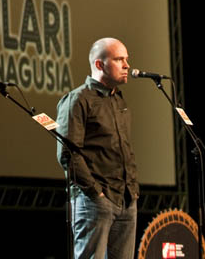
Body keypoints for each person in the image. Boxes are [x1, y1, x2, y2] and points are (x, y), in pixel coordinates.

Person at [56, 38, 139, 259]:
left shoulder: (119, 100)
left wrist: (132, 189)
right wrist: (96, 192)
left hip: (126, 197)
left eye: (126, 59)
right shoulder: (78, 100)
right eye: (119, 59)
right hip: (94, 200)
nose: (127, 65)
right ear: (100, 64)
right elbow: (68, 154)